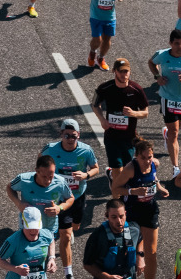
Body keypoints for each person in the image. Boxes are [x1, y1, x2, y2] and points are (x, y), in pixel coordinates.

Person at [42, 118, 100, 276]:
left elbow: (96, 168)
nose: (69, 139)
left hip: (78, 195)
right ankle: (69, 273)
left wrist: (86, 174)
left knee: (76, 226)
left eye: (73, 136)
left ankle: (68, 230)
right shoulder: (50, 149)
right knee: (65, 235)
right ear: (61, 134)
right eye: (66, 135)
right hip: (59, 197)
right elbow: (40, 165)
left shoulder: (86, 150)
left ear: (78, 136)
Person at [111, 139, 168, 279]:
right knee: (128, 251)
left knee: (152, 252)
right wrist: (133, 191)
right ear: (136, 156)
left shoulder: (154, 163)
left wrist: (160, 188)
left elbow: (154, 178)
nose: (147, 161)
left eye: (150, 157)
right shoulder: (130, 169)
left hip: (149, 210)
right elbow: (115, 188)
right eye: (143, 158)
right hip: (131, 213)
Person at [92, 58, 149, 186]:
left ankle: (113, 177)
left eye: (126, 71)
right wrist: (102, 120)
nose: (124, 75)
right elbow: (95, 105)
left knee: (126, 167)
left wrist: (133, 113)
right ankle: (118, 196)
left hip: (129, 138)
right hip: (111, 137)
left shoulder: (136, 90)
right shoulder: (105, 88)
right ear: (114, 71)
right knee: (117, 167)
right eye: (121, 71)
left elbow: (145, 112)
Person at [7, 154, 75, 241]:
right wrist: (19, 203)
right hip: (28, 225)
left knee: (46, 251)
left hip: (49, 226)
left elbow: (70, 198)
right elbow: (9, 187)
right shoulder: (23, 180)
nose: (48, 181)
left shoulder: (60, 182)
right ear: (37, 171)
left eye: (51, 176)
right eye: (44, 177)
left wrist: (60, 208)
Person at [147, 29, 181, 180]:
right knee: (174, 132)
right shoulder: (162, 54)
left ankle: (167, 134)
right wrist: (157, 77)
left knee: (175, 131)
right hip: (168, 99)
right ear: (170, 43)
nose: (179, 47)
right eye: (176, 43)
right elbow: (151, 62)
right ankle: (176, 168)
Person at [82, 0, 127, 70]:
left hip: (110, 16)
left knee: (107, 40)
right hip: (96, 14)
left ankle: (101, 58)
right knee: (97, 39)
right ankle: (92, 53)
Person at [82, 198, 144, 279]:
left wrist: (140, 256)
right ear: (107, 216)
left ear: (125, 214)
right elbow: (87, 264)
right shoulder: (97, 236)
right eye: (114, 217)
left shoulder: (134, 229)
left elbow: (140, 239)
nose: (119, 221)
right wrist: (107, 277)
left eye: (121, 216)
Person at [0, 207, 56, 279]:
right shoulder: (13, 241)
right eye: (29, 227)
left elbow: (51, 241)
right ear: (22, 222)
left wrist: (52, 258)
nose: (32, 231)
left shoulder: (46, 234)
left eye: (35, 227)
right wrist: (16, 269)